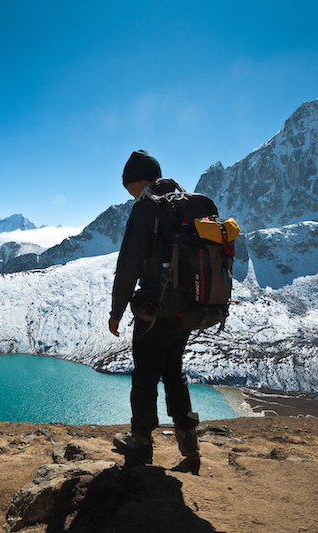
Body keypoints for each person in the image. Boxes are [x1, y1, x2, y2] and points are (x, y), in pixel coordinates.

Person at [109, 149, 201, 468]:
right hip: (186, 307)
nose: (129, 194)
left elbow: (129, 265)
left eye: (129, 187)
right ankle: (188, 440)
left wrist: (117, 311)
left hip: (154, 307)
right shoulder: (185, 204)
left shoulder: (147, 207)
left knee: (145, 375)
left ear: (139, 180)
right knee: (173, 370)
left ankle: (141, 442)